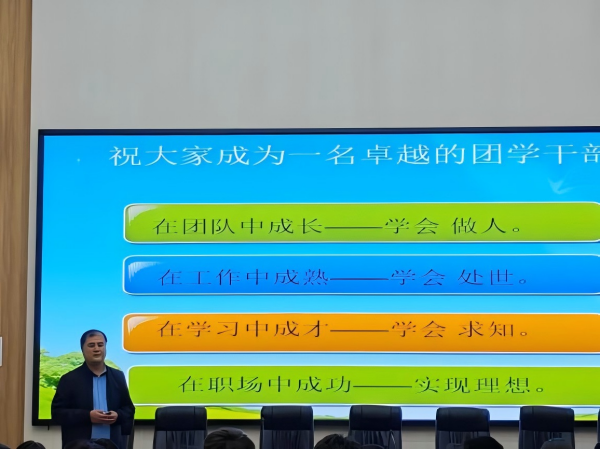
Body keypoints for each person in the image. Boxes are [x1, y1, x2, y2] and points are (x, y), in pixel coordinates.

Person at [52, 330, 135, 449]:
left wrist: (117, 415)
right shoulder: (69, 379)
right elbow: (57, 414)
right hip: (80, 446)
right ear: (82, 349)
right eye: (91, 345)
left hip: (112, 445)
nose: (97, 349)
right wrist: (88, 416)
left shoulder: (118, 376)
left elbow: (128, 409)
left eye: (100, 345)